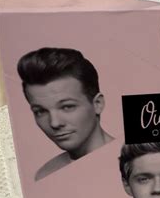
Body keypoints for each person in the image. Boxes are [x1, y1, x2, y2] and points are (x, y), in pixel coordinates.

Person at [17, 47, 114, 181]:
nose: (54, 123)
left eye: (67, 107)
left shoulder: (136, 162)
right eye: (40, 111)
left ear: (97, 104)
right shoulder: (46, 175)